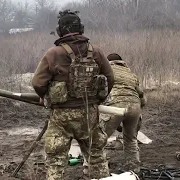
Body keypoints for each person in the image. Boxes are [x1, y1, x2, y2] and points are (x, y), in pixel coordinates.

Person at [31, 9, 115, 180]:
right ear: (81, 28)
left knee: (56, 160)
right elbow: (110, 78)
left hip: (61, 115)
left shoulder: (53, 53)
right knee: (96, 157)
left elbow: (38, 83)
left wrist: (44, 96)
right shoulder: (96, 52)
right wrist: (98, 100)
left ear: (60, 30)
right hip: (89, 114)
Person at [99, 53, 146, 174]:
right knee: (131, 140)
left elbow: (99, 91)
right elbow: (142, 97)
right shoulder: (130, 74)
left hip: (115, 106)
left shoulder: (105, 71)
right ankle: (133, 170)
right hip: (134, 107)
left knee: (99, 140)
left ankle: (98, 171)